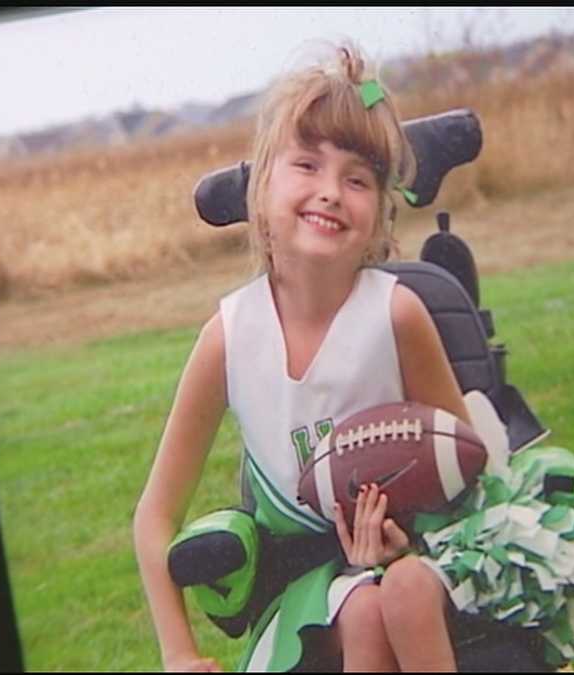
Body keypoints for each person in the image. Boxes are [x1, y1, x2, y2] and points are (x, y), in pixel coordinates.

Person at [133, 41, 473, 672]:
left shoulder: (397, 317)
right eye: (307, 166)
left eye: (357, 178)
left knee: (380, 602)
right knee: (360, 610)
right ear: (262, 188)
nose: (331, 192)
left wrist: (407, 532)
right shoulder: (229, 337)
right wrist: (178, 652)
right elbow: (155, 516)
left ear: (380, 213)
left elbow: (466, 468)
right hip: (299, 596)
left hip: (412, 571)